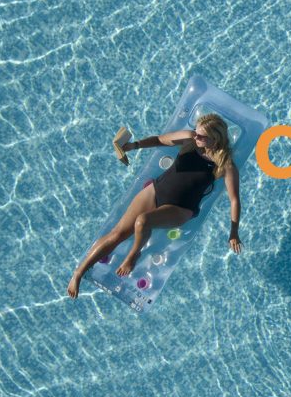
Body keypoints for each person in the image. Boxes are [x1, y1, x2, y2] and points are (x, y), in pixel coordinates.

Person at [67, 114, 243, 298]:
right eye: (196, 132)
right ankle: (79, 273)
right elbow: (159, 140)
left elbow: (234, 200)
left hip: (181, 207)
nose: (195, 136)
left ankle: (134, 254)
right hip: (157, 190)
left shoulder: (225, 164)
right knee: (117, 233)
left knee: (143, 221)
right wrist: (133, 146)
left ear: (215, 138)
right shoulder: (190, 139)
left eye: (201, 136)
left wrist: (234, 232)